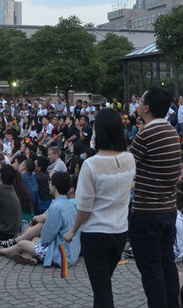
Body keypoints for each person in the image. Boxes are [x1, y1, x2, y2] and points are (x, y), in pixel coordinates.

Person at [64, 108, 135, 308]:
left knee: (102, 290)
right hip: (120, 232)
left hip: (96, 234)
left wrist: (72, 230)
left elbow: (84, 206)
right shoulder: (129, 159)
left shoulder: (91, 165)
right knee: (102, 285)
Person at [128, 86, 181, 307]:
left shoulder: (146, 134)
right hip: (168, 209)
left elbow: (128, 167)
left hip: (147, 212)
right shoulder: (170, 130)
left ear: (146, 107)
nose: (137, 104)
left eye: (140, 100)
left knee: (151, 269)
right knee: (167, 264)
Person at [0, 171, 80, 267]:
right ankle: (30, 257)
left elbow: (46, 238)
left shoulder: (56, 208)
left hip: (61, 255)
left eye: (50, 182)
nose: (48, 183)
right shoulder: (69, 204)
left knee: (22, 244)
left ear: (55, 187)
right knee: (34, 239)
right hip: (71, 252)